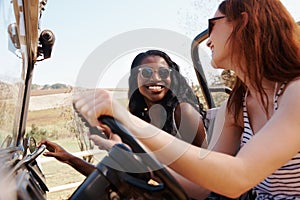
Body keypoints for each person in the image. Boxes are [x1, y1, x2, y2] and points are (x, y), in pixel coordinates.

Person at [73, 0, 300, 199]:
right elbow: (201, 187)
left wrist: (126, 120)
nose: (209, 39)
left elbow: (238, 177)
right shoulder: (236, 106)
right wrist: (132, 155)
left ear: (241, 23)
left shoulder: (296, 92)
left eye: (213, 24)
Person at [38, 50, 208, 197]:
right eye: (147, 72)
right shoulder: (141, 123)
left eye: (163, 73)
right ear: (136, 78)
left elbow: (206, 175)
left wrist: (122, 152)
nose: (156, 78)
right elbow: (119, 178)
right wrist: (70, 159)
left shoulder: (183, 112)